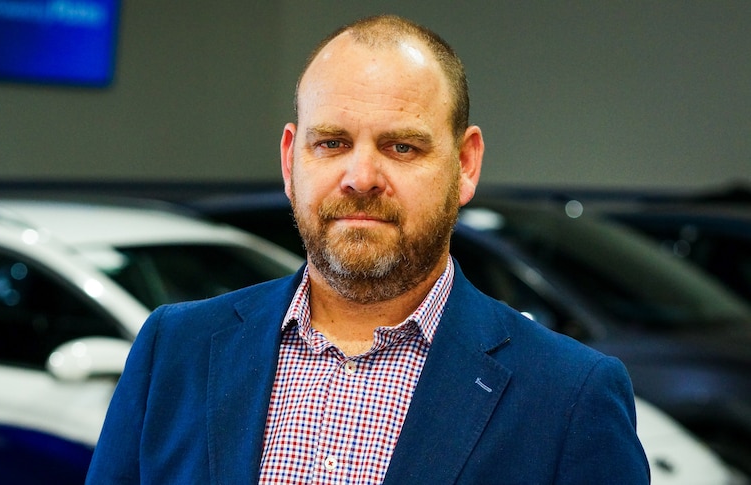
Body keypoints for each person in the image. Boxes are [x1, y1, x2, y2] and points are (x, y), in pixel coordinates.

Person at [86, 14, 650, 484]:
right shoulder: (175, 350)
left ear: (466, 164)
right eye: (330, 143)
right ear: (290, 161)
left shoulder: (569, 396)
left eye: (401, 146)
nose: (360, 176)